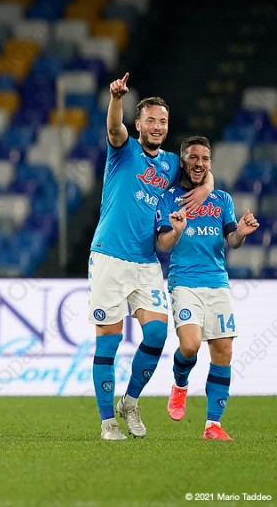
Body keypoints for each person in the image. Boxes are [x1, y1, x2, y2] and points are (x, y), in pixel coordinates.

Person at [89, 73, 213, 440]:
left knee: (157, 334)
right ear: (139, 124)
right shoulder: (123, 150)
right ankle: (107, 422)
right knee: (108, 342)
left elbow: (201, 170)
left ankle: (130, 401)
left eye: (163, 121)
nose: (157, 126)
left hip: (145, 262)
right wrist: (116, 98)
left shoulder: (172, 164)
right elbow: (113, 128)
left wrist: (205, 187)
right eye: (151, 120)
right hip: (110, 257)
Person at [156, 135, 258, 441]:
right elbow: (163, 244)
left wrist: (241, 232)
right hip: (184, 282)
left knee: (223, 350)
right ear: (183, 161)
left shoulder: (222, 200)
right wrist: (176, 231)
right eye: (193, 157)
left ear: (210, 162)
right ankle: (180, 384)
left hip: (217, 282)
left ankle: (213, 425)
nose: (199, 163)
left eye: (205, 158)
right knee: (189, 346)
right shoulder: (169, 198)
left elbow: (232, 241)